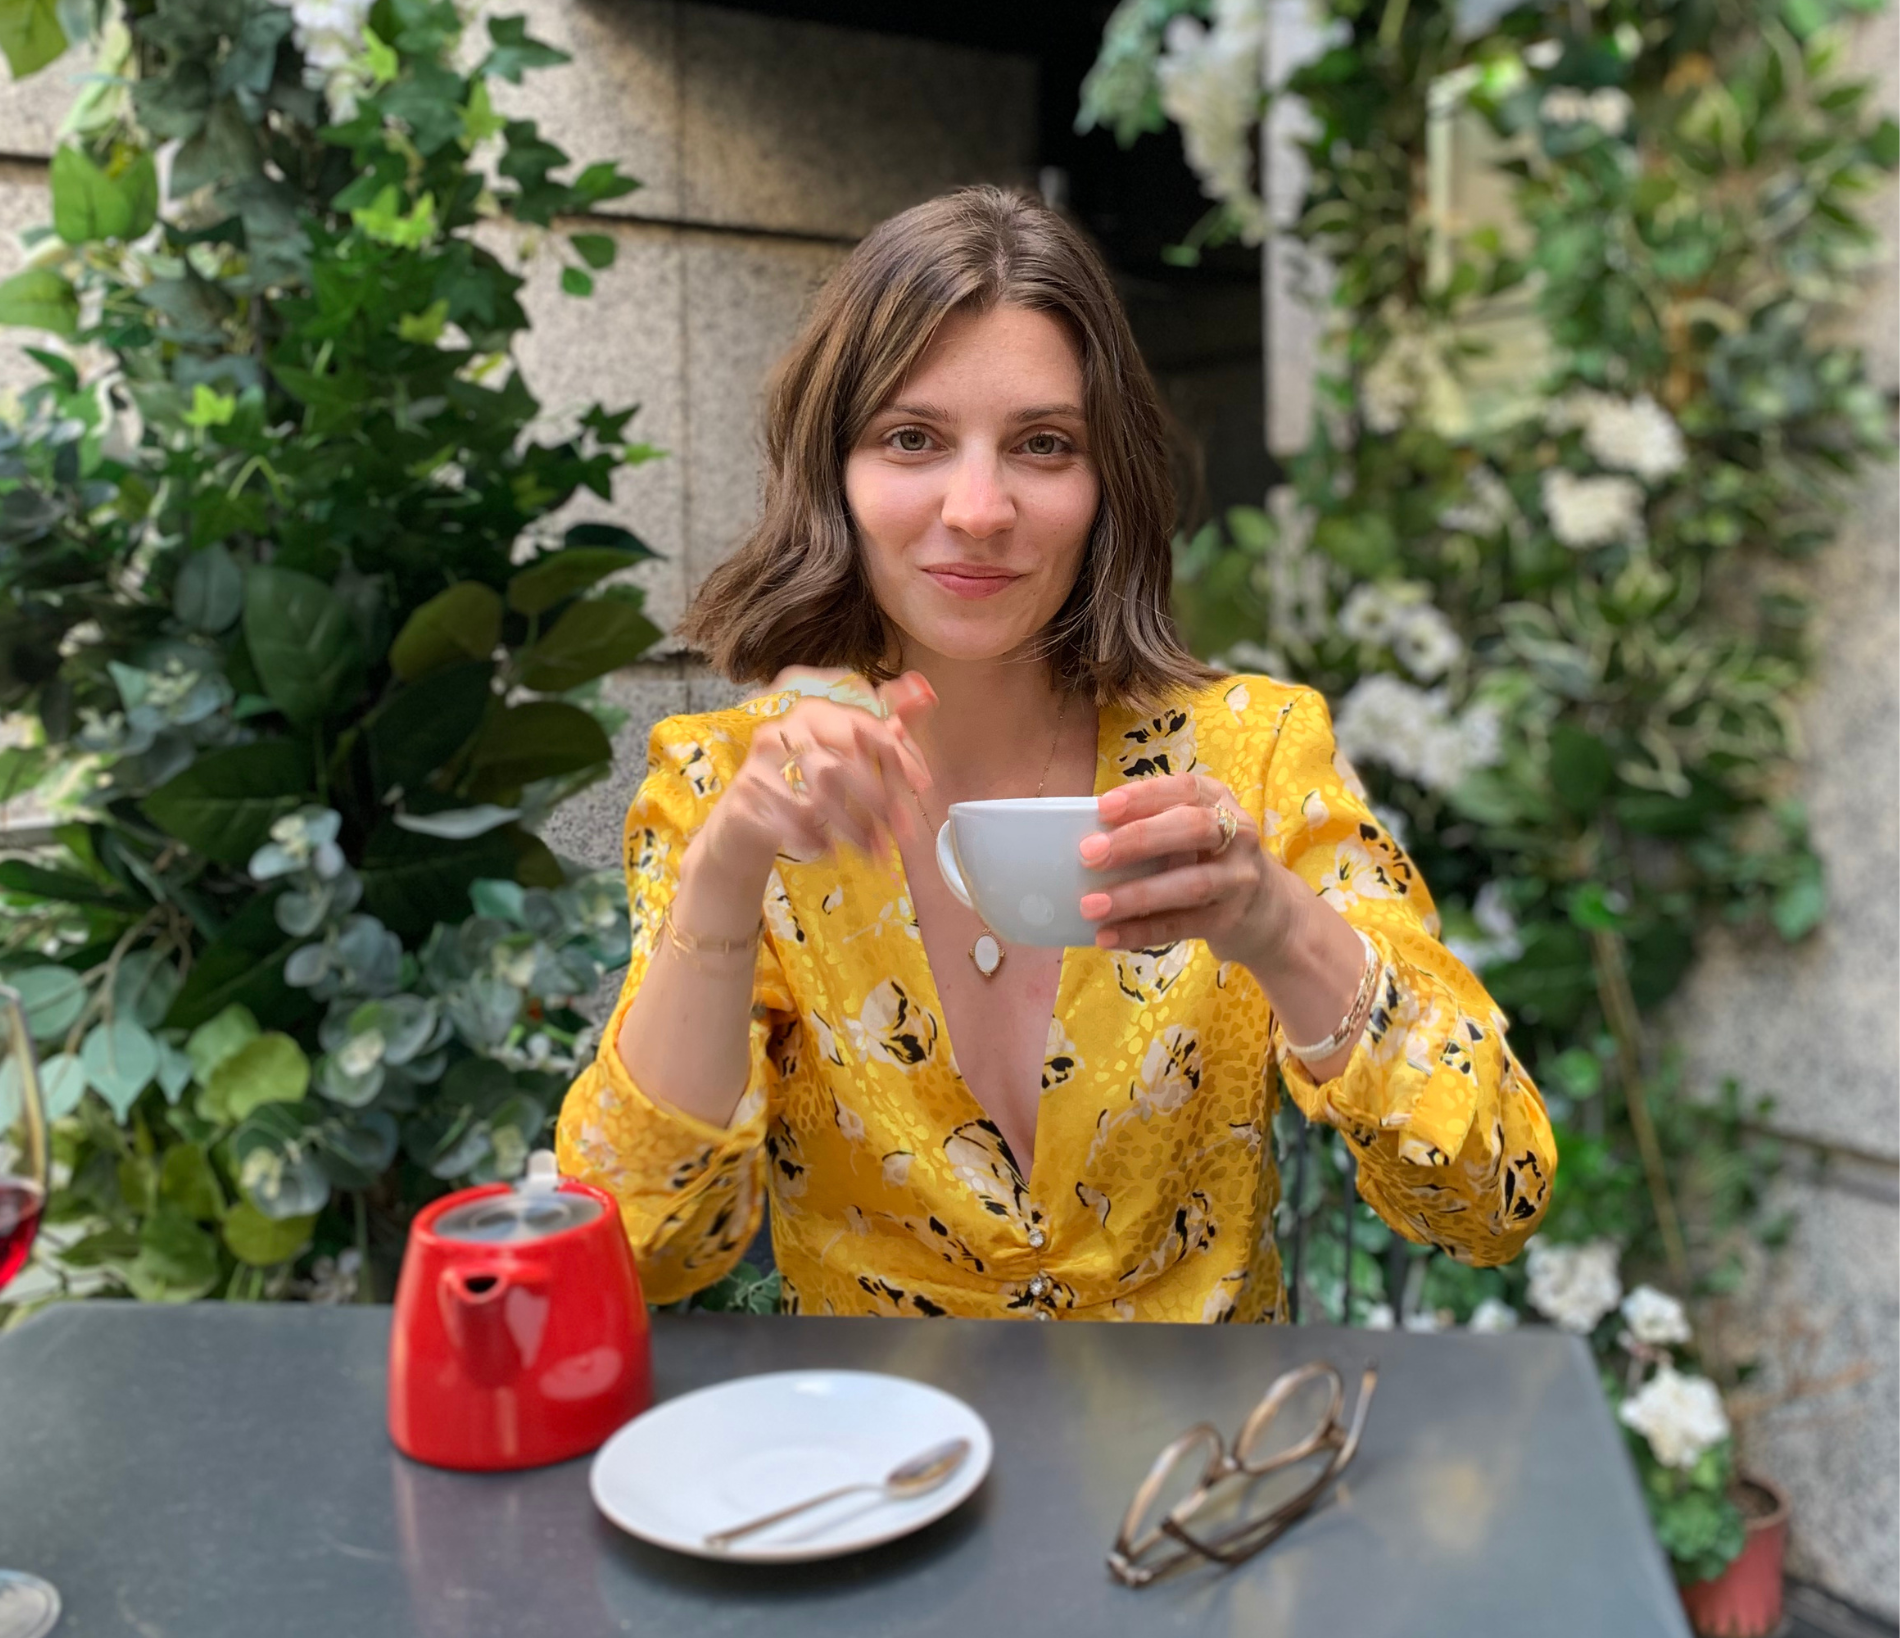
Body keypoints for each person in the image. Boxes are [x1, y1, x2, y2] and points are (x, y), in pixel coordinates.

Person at [556, 186, 1555, 1322]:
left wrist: (1277, 926)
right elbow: (638, 1244)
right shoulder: (728, 783)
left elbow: (1492, 1195)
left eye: (1043, 444)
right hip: (876, 1437)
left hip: (1201, 1436)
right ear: (834, 472)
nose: (979, 508)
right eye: (912, 438)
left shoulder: (1252, 754)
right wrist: (731, 863)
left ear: (1104, 479)